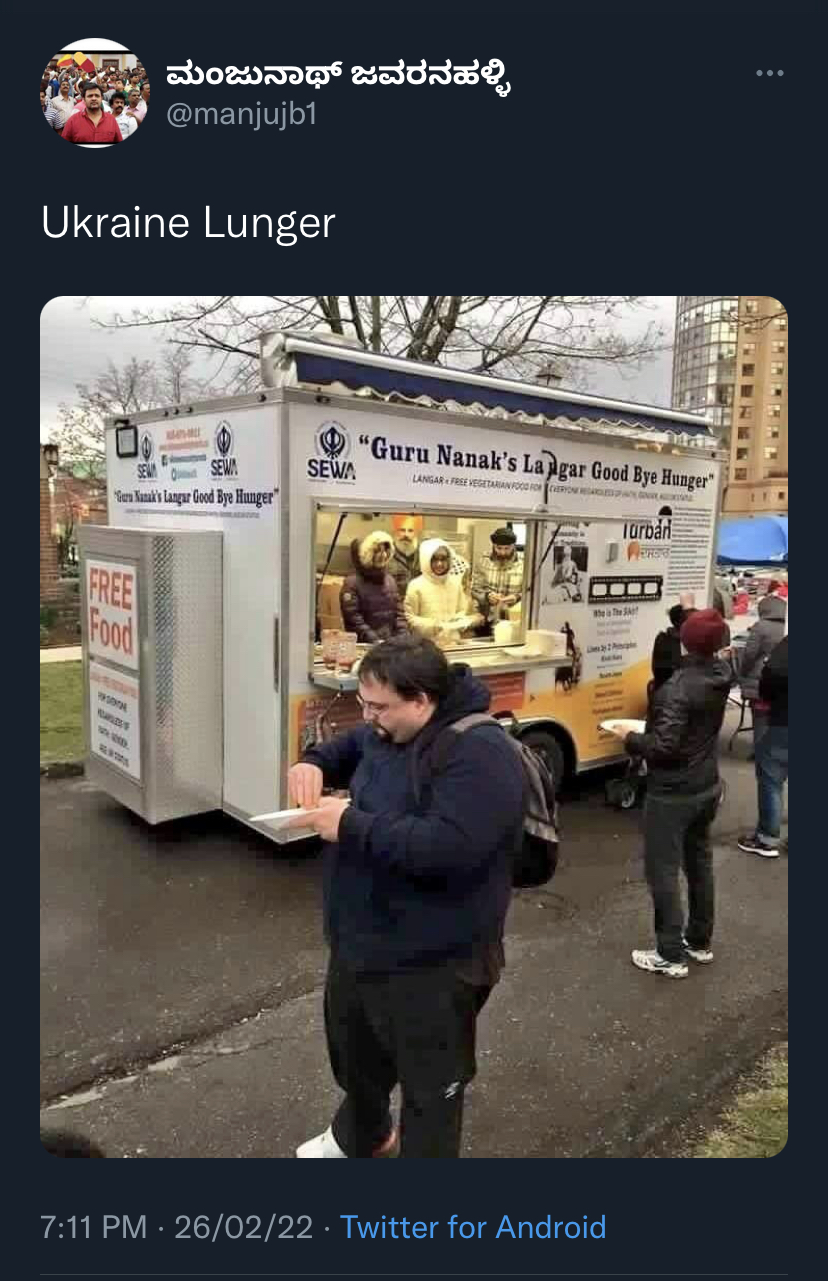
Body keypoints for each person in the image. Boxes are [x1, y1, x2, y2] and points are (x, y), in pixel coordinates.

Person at [286, 634, 525, 1157]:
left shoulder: (481, 753)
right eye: (363, 702)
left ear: (421, 700)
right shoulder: (386, 728)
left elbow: (451, 848)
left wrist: (350, 824)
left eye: (379, 707)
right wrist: (314, 761)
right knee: (356, 1062)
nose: (367, 716)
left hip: (433, 961)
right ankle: (366, 1136)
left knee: (429, 1091)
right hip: (361, 942)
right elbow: (355, 745)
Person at [608, 609, 732, 978]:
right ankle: (699, 941)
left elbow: (663, 747)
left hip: (673, 792)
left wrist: (629, 737)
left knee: (662, 871)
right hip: (706, 785)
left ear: (687, 642)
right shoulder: (722, 674)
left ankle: (670, 953)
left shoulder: (677, 688)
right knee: (700, 864)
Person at [739, 636, 788, 858]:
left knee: (771, 779)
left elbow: (768, 681)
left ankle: (767, 839)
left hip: (785, 723)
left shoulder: (787, 648)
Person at [404, 539, 482, 641]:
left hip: (452, 642)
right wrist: (435, 625)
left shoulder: (455, 583)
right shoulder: (415, 585)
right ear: (426, 560)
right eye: (434, 559)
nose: (439, 564)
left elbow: (461, 610)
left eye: (443, 559)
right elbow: (410, 619)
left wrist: (460, 621)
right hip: (425, 644)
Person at [339, 530, 407, 644]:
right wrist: (374, 640)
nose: (383, 555)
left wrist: (403, 636)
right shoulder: (352, 584)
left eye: (385, 550)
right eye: (377, 551)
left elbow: (399, 614)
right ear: (366, 554)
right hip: (365, 645)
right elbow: (354, 619)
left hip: (391, 644)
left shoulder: (390, 581)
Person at [737, 591, 786, 744]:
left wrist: (742, 674)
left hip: (760, 683)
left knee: (761, 721)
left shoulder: (760, 627)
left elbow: (749, 655)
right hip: (783, 683)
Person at [471, 528, 524, 635]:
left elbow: (531, 591)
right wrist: (487, 596)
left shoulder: (524, 562)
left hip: (514, 621)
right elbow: (475, 589)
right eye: (499, 548)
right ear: (493, 546)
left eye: (507, 548)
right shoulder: (483, 561)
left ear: (513, 546)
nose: (503, 552)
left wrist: (517, 597)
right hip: (487, 621)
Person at [651, 604, 687, 691]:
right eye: (686, 618)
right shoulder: (663, 640)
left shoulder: (689, 639)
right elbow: (659, 669)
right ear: (678, 622)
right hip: (669, 690)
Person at [389, 514, 421, 598]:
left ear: (416, 533)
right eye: (402, 530)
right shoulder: (387, 554)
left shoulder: (424, 554)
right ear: (395, 531)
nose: (406, 535)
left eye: (410, 530)